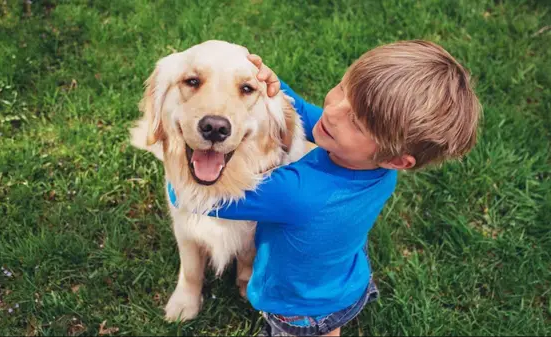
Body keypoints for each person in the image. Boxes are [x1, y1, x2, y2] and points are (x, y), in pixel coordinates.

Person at [169, 40, 481, 336]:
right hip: (348, 284)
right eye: (343, 90)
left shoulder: (295, 193)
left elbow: (196, 199)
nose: (332, 112)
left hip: (295, 308)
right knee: (329, 322)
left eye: (357, 122)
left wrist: (180, 173)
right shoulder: (375, 164)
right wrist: (271, 84)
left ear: (398, 159)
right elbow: (304, 110)